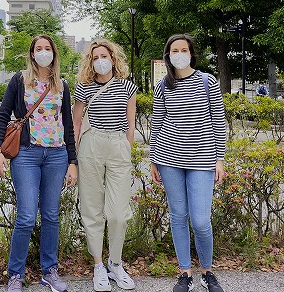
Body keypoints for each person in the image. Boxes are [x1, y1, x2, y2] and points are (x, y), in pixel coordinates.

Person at [0, 34, 78, 292]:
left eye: (47, 48)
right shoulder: (20, 81)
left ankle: (49, 270)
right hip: (27, 155)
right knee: (27, 216)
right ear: (32, 54)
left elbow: (68, 126)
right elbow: (2, 116)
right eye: (38, 48)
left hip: (56, 155)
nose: (43, 52)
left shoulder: (62, 85)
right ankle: (15, 274)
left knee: (51, 215)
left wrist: (73, 161)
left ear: (54, 53)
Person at [150, 34, 226, 292]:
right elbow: (156, 122)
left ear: (191, 54)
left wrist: (220, 159)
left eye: (184, 50)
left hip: (203, 160)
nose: (179, 54)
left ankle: (207, 272)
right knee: (178, 216)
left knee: (201, 221)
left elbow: (219, 122)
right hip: (168, 158)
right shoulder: (163, 85)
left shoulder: (207, 81)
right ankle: (185, 273)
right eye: (174, 50)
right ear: (168, 55)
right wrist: (153, 159)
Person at [72, 39, 137, 292]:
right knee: (92, 208)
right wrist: (74, 156)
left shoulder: (127, 87)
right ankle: (98, 264)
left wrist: (127, 147)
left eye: (104, 55)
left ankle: (116, 263)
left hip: (118, 144)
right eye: (95, 56)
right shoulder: (84, 88)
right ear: (91, 61)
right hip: (92, 144)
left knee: (118, 214)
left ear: (113, 58)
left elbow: (131, 123)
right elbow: (76, 122)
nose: (100, 60)